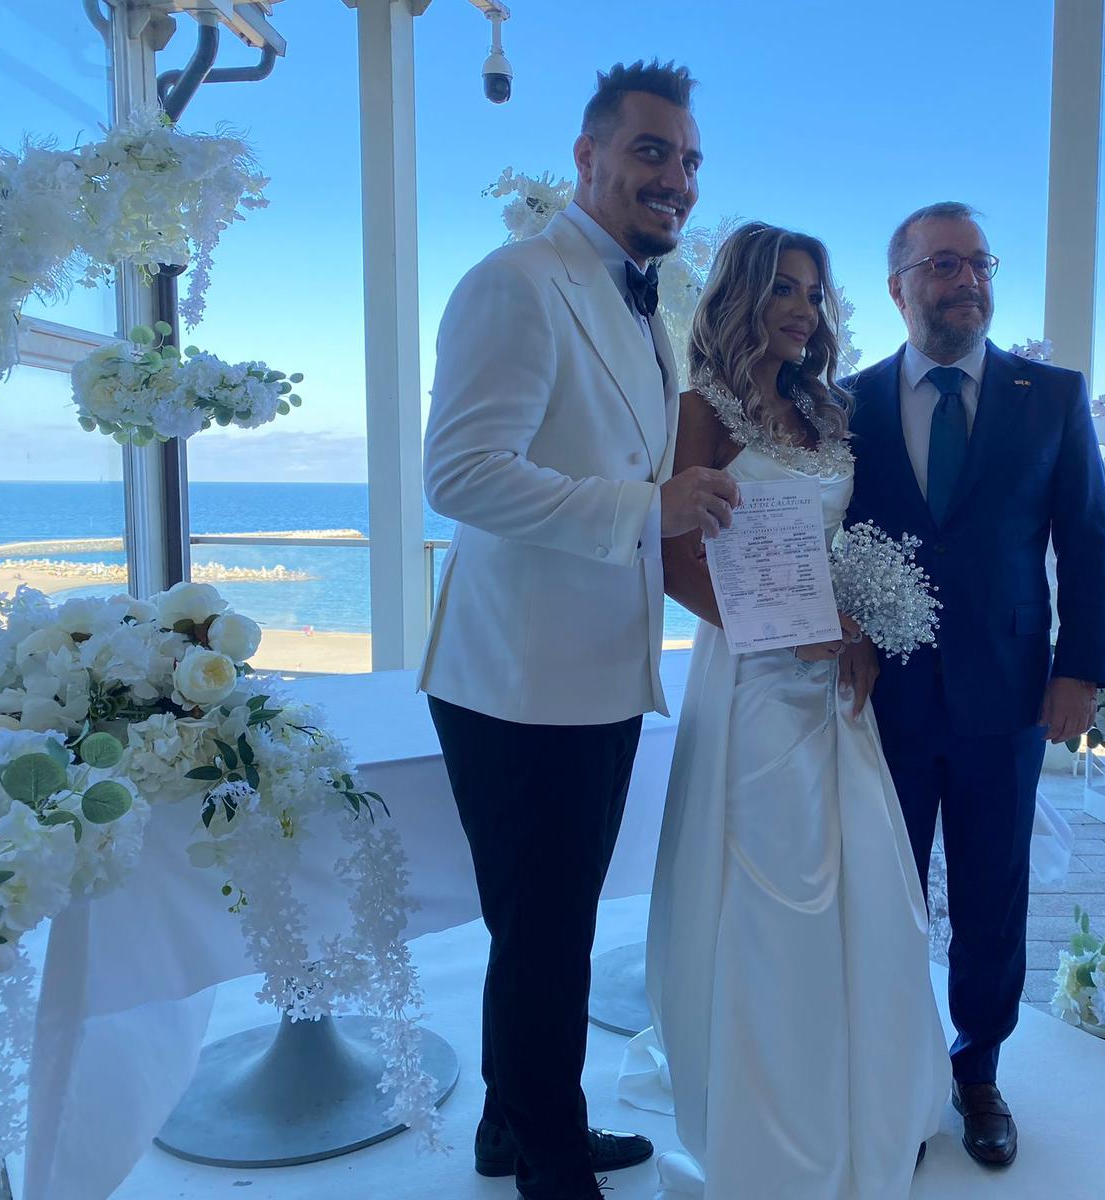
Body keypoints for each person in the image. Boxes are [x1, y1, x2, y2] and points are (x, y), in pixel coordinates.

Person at [419, 61, 739, 1200]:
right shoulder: (516, 281)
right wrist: (647, 510)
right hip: (517, 679)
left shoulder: (641, 304)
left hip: (598, 671)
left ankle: (511, 1126)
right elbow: (460, 474)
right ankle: (552, 1164)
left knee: (544, 929)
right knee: (546, 937)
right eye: (652, 151)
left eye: (689, 160)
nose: (676, 178)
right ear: (588, 157)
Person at [622, 222, 950, 1198]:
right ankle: (777, 1129)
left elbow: (834, 545)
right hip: (753, 682)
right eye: (783, 289)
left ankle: (861, 1100)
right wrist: (782, 630)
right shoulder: (700, 410)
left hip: (834, 689)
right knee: (773, 891)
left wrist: (857, 633)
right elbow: (674, 558)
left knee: (865, 885)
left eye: (813, 293)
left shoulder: (824, 411)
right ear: (741, 295)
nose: (804, 310)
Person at [841, 201, 1105, 1171]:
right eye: (943, 265)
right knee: (886, 891)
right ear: (898, 286)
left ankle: (978, 1071)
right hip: (881, 698)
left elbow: (1087, 539)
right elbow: (823, 536)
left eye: (979, 264)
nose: (967, 282)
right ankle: (896, 1074)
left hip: (1009, 694)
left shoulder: (1052, 396)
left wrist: (1080, 668)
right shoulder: (847, 404)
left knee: (993, 893)